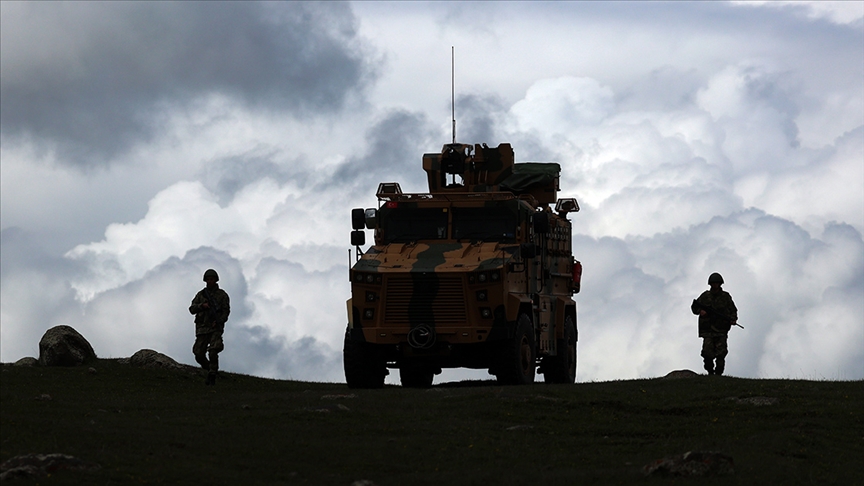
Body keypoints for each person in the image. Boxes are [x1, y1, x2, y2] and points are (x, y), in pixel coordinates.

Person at [691, 273, 738, 376]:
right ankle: (710, 372)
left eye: (717, 283)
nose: (715, 285)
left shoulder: (725, 297)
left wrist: (733, 319)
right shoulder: (705, 296)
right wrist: (700, 311)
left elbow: (733, 310)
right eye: (713, 283)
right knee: (707, 353)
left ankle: (718, 374)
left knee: (721, 354)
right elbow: (694, 307)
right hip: (708, 330)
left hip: (721, 330)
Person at [189, 269, 230, 385]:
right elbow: (192, 309)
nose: (210, 281)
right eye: (208, 279)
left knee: (213, 351)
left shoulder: (222, 295)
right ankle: (209, 369)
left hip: (215, 327)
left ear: (216, 280)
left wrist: (219, 321)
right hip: (202, 327)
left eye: (212, 279)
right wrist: (202, 306)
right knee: (198, 353)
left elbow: (226, 311)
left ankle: (212, 374)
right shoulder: (201, 295)